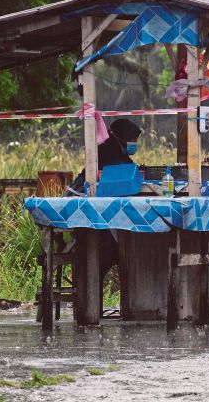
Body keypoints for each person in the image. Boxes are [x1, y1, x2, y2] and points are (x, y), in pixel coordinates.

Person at [69, 118, 142, 313]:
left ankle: (94, 305)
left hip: (104, 217)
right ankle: (91, 307)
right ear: (123, 137)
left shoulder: (116, 151)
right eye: (133, 139)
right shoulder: (107, 151)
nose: (134, 144)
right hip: (91, 217)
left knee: (112, 251)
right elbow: (125, 174)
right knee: (105, 255)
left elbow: (131, 170)